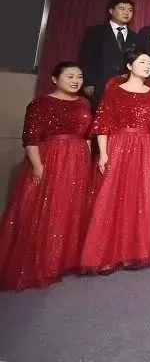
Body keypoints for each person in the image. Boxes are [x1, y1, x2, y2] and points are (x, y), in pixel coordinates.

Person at [0, 62, 92, 291]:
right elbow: (31, 139)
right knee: (48, 209)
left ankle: (63, 261)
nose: (75, 81)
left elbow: (87, 135)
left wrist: (87, 158)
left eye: (79, 77)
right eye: (70, 76)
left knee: (71, 209)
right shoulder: (40, 104)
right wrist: (38, 166)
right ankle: (42, 263)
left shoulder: (83, 102)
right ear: (54, 78)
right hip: (52, 158)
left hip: (78, 159)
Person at [79, 50, 150, 274]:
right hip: (119, 145)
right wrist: (104, 153)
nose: (147, 65)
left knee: (139, 196)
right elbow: (102, 124)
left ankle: (132, 253)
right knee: (112, 195)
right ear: (129, 66)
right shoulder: (114, 91)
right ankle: (104, 255)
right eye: (142, 62)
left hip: (145, 146)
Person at [78, 0, 139, 105]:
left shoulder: (135, 37)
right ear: (111, 11)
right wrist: (88, 82)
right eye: (122, 9)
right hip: (98, 86)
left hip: (125, 88)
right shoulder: (96, 32)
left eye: (130, 10)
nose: (127, 13)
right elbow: (85, 58)